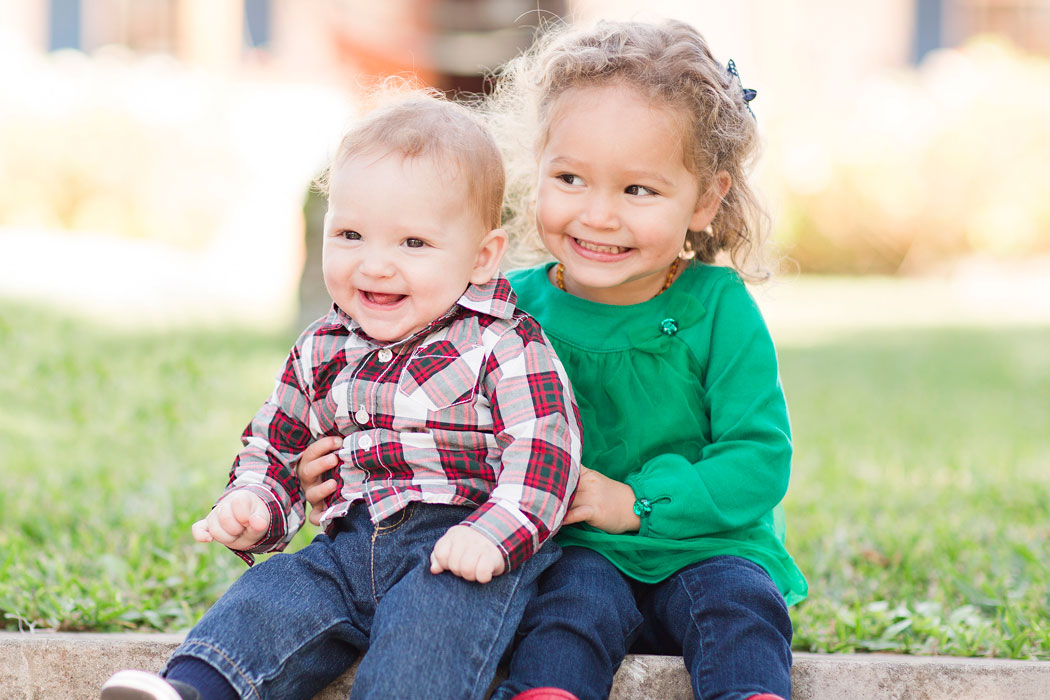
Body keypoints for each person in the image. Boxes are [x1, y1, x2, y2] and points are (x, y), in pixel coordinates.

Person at [300, 19, 807, 700]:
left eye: (638, 191)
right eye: (570, 178)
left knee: (742, 608)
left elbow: (758, 456)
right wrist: (343, 464)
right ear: (535, 167)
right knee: (567, 614)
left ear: (705, 199)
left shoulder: (718, 307)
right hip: (574, 549)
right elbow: (425, 414)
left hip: (708, 543)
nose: (597, 216)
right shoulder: (500, 308)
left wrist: (636, 501)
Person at [100, 93, 582, 700]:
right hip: (350, 541)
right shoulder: (324, 345)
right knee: (274, 597)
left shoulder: (502, 344)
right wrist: (257, 501)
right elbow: (276, 442)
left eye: (413, 244)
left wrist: (496, 531)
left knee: (427, 643)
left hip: (460, 546)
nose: (375, 265)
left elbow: (547, 452)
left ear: (482, 257)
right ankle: (195, 689)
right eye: (351, 234)